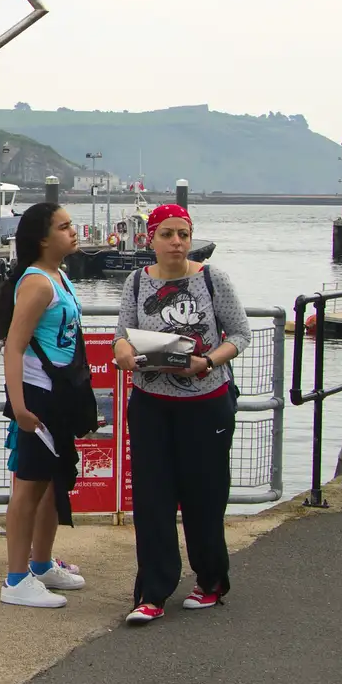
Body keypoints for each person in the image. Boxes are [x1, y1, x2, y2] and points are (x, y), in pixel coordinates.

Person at [113, 203, 249, 626]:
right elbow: (122, 338)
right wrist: (124, 358)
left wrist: (207, 361)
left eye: (183, 234)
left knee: (204, 496)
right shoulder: (136, 282)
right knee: (152, 500)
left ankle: (210, 581)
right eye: (167, 234)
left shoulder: (212, 279)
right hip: (152, 404)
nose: (176, 242)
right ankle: (152, 592)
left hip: (205, 402)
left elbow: (240, 334)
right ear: (150, 239)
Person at [0, 201, 87, 608]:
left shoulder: (58, 276)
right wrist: (20, 407)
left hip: (57, 397)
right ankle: (15, 578)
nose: (73, 231)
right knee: (28, 487)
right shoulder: (38, 283)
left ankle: (41, 564)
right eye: (64, 227)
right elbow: (14, 346)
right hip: (37, 397)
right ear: (43, 239)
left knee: (50, 484)